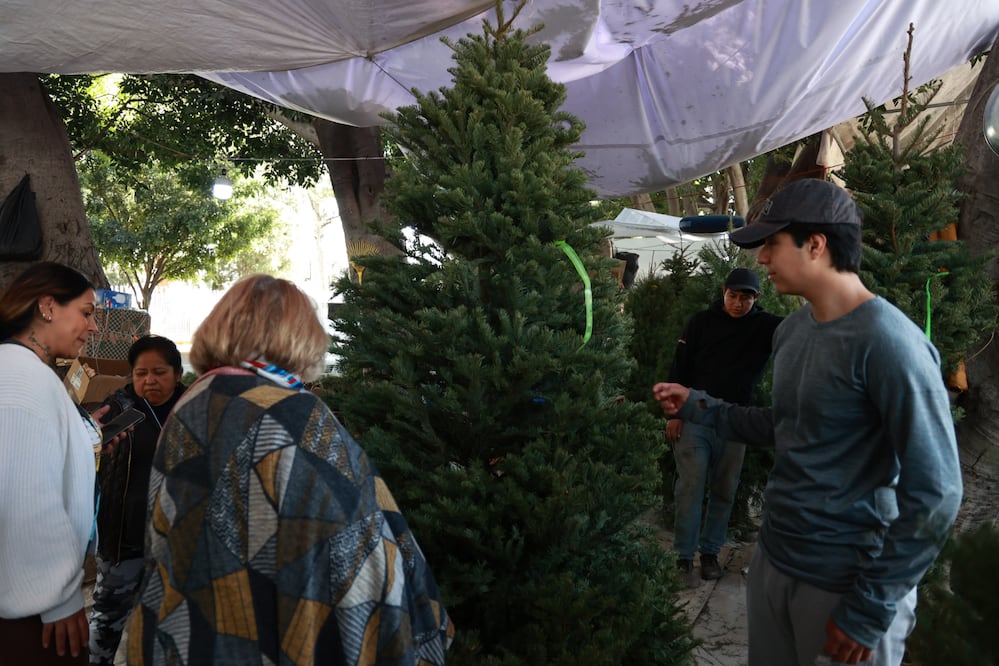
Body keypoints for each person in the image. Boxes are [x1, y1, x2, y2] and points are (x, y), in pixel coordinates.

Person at [653, 178, 962, 666]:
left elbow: (938, 491)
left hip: (846, 584)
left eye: (772, 244)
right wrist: (697, 405)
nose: (761, 260)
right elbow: (785, 426)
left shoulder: (890, 344)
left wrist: (870, 608)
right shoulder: (793, 332)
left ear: (816, 244)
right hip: (775, 565)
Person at [126, 274, 453, 665]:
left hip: (192, 629)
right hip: (277, 632)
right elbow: (355, 541)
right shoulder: (290, 412)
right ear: (297, 336)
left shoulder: (195, 401)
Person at [0, 262, 102, 664]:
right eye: (86, 312)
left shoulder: (23, 370)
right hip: (31, 614)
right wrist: (58, 597)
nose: (92, 327)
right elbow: (25, 495)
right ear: (47, 306)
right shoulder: (22, 376)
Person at [666, 267, 782, 584]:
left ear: (756, 298)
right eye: (733, 295)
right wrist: (675, 414)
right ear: (723, 291)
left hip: (735, 421)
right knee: (690, 486)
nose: (737, 302)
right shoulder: (700, 322)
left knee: (724, 490)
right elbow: (680, 365)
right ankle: (683, 558)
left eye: (745, 297)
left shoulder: (766, 327)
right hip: (694, 419)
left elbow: (803, 333)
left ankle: (709, 553)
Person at [88, 335, 186, 666]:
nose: (149, 381)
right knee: (107, 617)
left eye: (159, 372)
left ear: (177, 372)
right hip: (123, 536)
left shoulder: (192, 409)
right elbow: (90, 450)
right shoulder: (118, 408)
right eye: (141, 373)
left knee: (164, 619)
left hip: (175, 537)